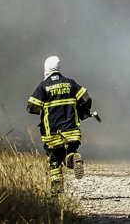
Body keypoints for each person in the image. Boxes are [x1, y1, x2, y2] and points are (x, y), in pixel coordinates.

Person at [27, 55, 93, 192]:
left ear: (46, 68)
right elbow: (86, 99)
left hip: (53, 133)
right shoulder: (71, 83)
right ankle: (73, 157)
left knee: (55, 160)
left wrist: (44, 108)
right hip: (72, 131)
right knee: (69, 152)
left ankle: (56, 192)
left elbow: (31, 107)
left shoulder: (43, 86)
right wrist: (83, 113)